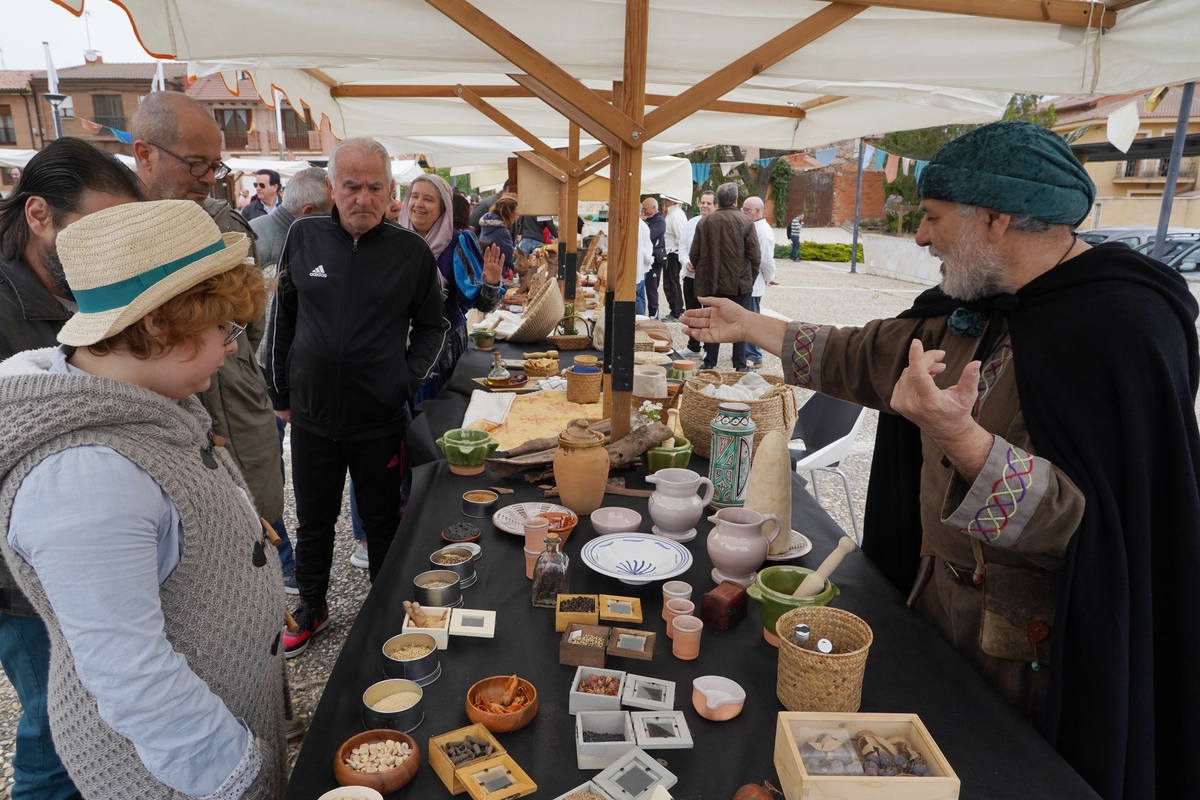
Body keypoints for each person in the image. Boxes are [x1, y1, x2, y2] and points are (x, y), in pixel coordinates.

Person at [682, 120, 1200, 800]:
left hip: (1032, 653)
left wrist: (963, 440)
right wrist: (750, 324)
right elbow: (858, 354)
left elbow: (1087, 525)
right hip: (932, 607)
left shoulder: (1122, 325)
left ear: (994, 219)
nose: (920, 236)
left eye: (930, 218)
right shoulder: (976, 310)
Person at [0, 199, 287, 799]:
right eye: (221, 328)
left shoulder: (146, 395)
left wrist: (243, 564)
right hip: (180, 778)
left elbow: (176, 525)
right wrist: (238, 777)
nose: (232, 345)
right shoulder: (83, 480)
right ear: (159, 323)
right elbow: (128, 673)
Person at [0, 137, 142, 800]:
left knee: (99, 720)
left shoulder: (84, 290)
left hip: (88, 550)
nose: (107, 246)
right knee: (53, 732)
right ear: (38, 216)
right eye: (95, 228)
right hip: (23, 576)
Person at [267, 137, 448, 657]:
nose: (363, 198)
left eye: (374, 187)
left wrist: (404, 380)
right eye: (352, 186)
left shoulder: (409, 251)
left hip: (379, 418)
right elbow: (284, 316)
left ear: (390, 190)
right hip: (313, 416)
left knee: (383, 520)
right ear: (332, 188)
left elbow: (433, 329)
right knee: (315, 519)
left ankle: (386, 610)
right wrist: (279, 388)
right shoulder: (304, 236)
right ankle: (314, 606)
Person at [131, 91, 292, 596]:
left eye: (214, 165)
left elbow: (253, 316)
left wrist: (235, 356)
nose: (208, 177)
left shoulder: (223, 222)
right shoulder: (114, 232)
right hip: (164, 424)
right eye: (195, 163)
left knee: (261, 514)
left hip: (240, 405)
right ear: (145, 153)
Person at [687, 182, 758, 371]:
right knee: (741, 323)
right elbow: (755, 256)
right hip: (739, 283)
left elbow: (694, 254)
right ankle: (740, 365)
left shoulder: (704, 222)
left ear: (718, 201)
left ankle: (710, 362)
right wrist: (749, 278)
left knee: (713, 321)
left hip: (712, 282)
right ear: (736, 200)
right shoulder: (746, 222)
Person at [250, 167, 331, 271]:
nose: (333, 219)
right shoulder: (283, 249)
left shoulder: (254, 225)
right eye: (330, 213)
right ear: (308, 212)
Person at [678, 190, 715, 357]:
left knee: (708, 313)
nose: (705, 206)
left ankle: (709, 348)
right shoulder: (691, 222)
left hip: (709, 278)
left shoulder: (717, 223)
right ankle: (693, 345)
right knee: (692, 312)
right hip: (690, 276)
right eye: (703, 202)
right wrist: (686, 261)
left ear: (715, 206)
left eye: (708, 203)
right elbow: (682, 247)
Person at [741, 195, 776, 369]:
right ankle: (748, 352)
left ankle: (754, 355)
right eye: (743, 209)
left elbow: (766, 259)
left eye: (746, 210)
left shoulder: (762, 230)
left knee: (752, 319)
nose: (743, 212)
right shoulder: (753, 226)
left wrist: (770, 277)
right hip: (749, 280)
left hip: (754, 282)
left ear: (757, 211)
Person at [661, 194, 688, 322]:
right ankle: (677, 309)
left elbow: (681, 237)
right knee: (672, 281)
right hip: (671, 251)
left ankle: (676, 311)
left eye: (667, 200)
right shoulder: (673, 214)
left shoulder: (676, 215)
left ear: (673, 201)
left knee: (671, 282)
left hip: (672, 252)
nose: (665, 201)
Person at [640, 197, 667, 319]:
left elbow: (650, 235)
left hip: (654, 260)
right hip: (646, 260)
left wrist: (644, 222)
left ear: (654, 208)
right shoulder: (648, 219)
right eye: (643, 209)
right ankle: (643, 315)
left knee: (651, 288)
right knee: (642, 288)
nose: (644, 211)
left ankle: (653, 315)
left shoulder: (660, 220)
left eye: (646, 209)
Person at [478, 195, 518, 276]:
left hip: (485, 267)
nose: (517, 216)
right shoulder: (502, 231)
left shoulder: (486, 225)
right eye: (516, 213)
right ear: (509, 213)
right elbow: (508, 257)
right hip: (498, 271)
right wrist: (516, 254)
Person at [636, 215, 653, 316]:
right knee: (640, 294)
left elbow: (642, 248)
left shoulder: (639, 226)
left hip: (642, 265)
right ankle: (643, 318)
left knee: (636, 295)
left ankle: (640, 321)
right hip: (643, 265)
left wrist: (649, 260)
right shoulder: (642, 225)